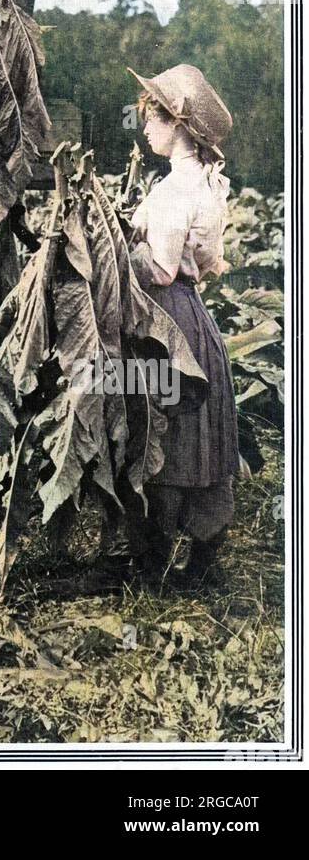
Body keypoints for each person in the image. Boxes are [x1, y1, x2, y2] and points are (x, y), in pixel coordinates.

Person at [124, 63, 239, 586]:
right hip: (193, 317)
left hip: (166, 317)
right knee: (190, 432)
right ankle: (198, 559)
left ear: (178, 125)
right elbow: (208, 260)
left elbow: (161, 268)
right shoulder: (204, 183)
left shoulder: (175, 190)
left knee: (161, 431)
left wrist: (114, 254)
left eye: (153, 116)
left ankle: (149, 562)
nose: (145, 125)